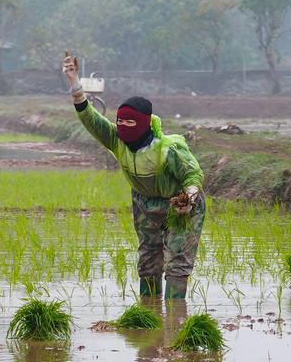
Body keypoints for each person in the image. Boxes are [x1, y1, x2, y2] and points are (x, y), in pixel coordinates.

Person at [63, 51, 204, 299]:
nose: (123, 128)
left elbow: (193, 175)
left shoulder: (168, 149)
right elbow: (90, 118)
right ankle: (149, 316)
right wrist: (75, 82)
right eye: (120, 122)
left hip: (180, 205)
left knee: (177, 263)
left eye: (131, 123)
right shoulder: (116, 141)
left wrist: (188, 199)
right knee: (148, 262)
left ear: (145, 124)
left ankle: (174, 319)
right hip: (144, 204)